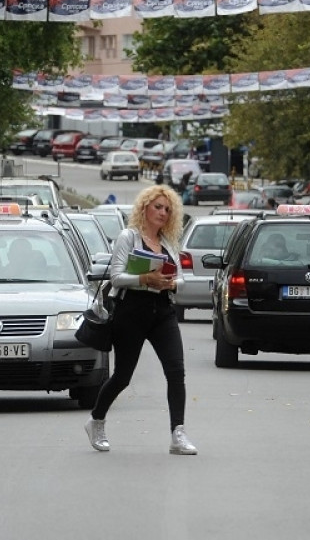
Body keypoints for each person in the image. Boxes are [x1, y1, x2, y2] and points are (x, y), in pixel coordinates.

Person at [84, 184, 197, 455]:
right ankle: (96, 420)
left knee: (176, 371)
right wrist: (145, 278)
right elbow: (116, 277)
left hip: (163, 311)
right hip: (131, 312)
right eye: (158, 207)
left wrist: (170, 284)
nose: (163, 213)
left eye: (167, 209)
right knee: (122, 376)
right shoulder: (129, 237)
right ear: (144, 208)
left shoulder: (168, 242)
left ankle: (178, 433)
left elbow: (181, 280)